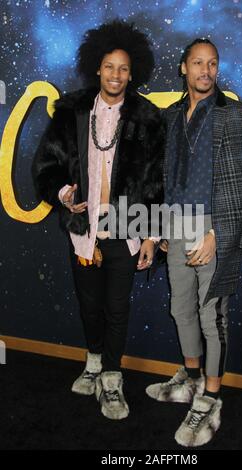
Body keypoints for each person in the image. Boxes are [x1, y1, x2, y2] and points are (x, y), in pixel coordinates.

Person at [32, 20, 164, 420]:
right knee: (89, 305)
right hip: (83, 233)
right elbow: (46, 165)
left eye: (123, 68)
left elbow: (157, 181)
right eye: (109, 66)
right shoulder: (71, 110)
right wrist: (63, 193)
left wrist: (152, 235)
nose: (116, 75)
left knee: (117, 308)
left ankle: (111, 377)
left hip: (126, 232)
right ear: (97, 68)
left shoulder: (147, 118)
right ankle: (92, 362)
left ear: (132, 72)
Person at [146, 38, 242, 446]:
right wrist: (159, 228)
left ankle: (211, 398)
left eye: (212, 63)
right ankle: (192, 380)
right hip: (175, 226)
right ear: (183, 68)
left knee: (211, 316)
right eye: (197, 63)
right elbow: (163, 178)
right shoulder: (169, 116)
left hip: (214, 227)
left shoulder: (240, 116)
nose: (205, 70)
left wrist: (221, 235)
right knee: (180, 309)